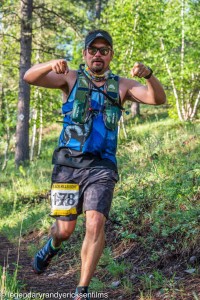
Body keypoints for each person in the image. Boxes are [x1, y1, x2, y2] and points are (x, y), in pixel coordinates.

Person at [24, 29, 166, 300]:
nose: (98, 54)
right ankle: (51, 245)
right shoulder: (70, 77)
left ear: (111, 54)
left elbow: (158, 99)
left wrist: (148, 74)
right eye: (93, 50)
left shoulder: (122, 85)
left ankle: (82, 290)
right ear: (85, 54)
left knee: (95, 223)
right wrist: (49, 64)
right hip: (67, 163)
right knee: (65, 230)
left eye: (104, 50)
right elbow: (29, 77)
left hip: (102, 166)